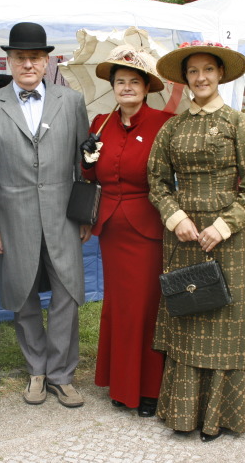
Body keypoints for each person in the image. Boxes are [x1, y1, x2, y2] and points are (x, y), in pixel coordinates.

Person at [148, 41, 245, 442]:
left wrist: (225, 225)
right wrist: (175, 215)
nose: (200, 78)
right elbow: (157, 181)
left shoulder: (241, 124)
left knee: (224, 321)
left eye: (208, 70)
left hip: (228, 238)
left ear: (220, 74)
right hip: (183, 236)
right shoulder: (172, 127)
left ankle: (222, 417)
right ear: (186, 79)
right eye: (193, 72)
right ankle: (184, 414)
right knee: (190, 313)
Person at [0, 22, 90, 408]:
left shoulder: (70, 102)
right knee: (22, 296)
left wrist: (86, 212)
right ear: (8, 61)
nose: (28, 64)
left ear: (47, 61)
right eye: (20, 57)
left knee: (67, 294)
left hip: (64, 216)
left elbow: (83, 163)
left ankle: (61, 374)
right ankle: (36, 371)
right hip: (13, 215)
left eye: (35, 57)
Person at [78, 45, 173, 418]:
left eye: (135, 81)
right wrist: (86, 159)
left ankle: (148, 388)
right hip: (112, 229)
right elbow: (91, 176)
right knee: (119, 307)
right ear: (113, 87)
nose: (127, 87)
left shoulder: (163, 122)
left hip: (148, 227)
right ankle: (121, 384)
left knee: (146, 308)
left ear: (147, 86)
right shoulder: (100, 122)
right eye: (121, 82)